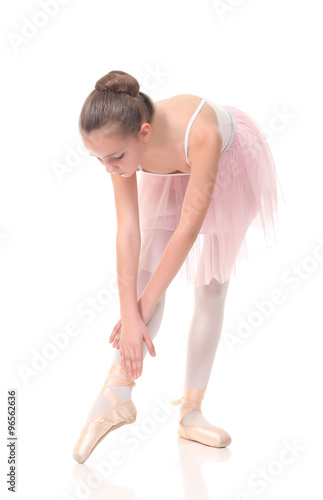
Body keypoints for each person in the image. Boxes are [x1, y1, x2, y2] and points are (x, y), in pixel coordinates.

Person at [72, 70, 284, 463]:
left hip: (229, 162)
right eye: (98, 159)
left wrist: (146, 305)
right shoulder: (120, 152)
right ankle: (116, 392)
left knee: (211, 286)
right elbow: (128, 231)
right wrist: (129, 315)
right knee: (147, 272)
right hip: (173, 169)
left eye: (114, 158)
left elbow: (189, 227)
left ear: (145, 134)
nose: (109, 168)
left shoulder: (200, 135)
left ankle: (192, 410)